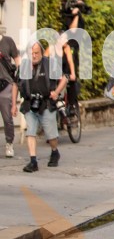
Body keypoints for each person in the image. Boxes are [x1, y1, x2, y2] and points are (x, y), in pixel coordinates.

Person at [19, 42, 68, 172]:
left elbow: (64, 79)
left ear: (41, 53)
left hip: (46, 104)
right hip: (30, 103)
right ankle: (33, 161)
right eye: (31, 53)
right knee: (30, 132)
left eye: (36, 53)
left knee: (51, 135)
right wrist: (14, 103)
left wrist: (56, 92)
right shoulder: (24, 66)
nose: (34, 56)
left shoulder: (49, 64)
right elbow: (15, 84)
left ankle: (54, 151)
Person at [0, 31, 20, 158]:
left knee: (7, 118)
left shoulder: (8, 41)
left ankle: (9, 143)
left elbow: (17, 59)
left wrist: (20, 74)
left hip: (6, 84)